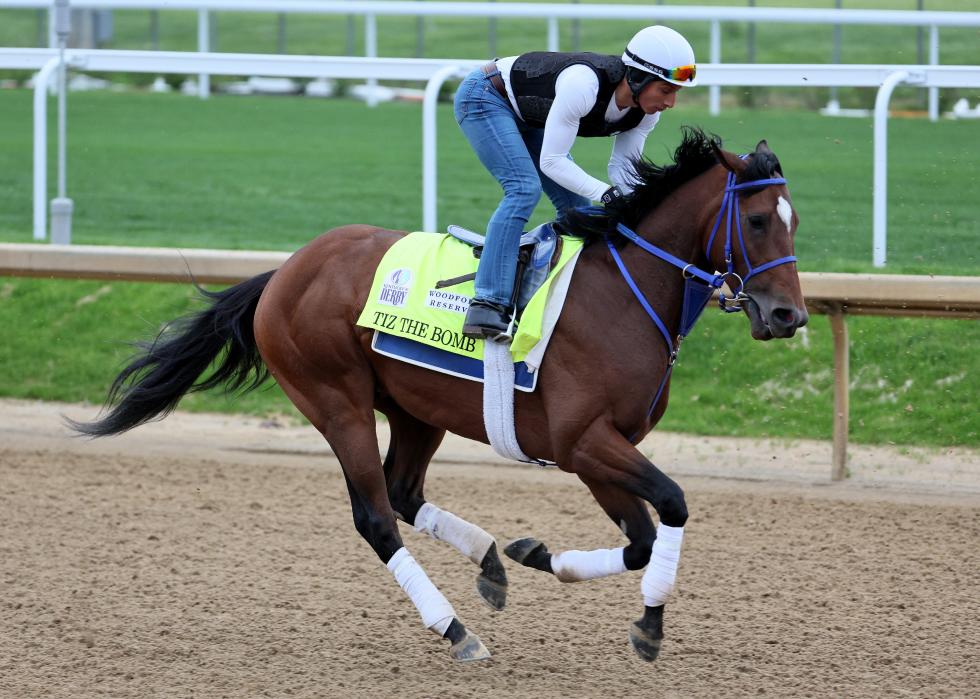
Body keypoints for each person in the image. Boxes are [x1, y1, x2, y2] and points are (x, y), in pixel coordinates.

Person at [453, 25, 698, 342]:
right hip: (486, 96)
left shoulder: (645, 113)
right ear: (637, 78)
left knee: (578, 208)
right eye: (666, 91)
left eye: (675, 93)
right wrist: (606, 195)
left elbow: (623, 169)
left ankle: (563, 294)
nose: (671, 103)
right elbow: (552, 161)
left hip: (529, 116)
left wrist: (641, 212)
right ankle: (488, 303)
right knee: (523, 188)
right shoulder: (583, 85)